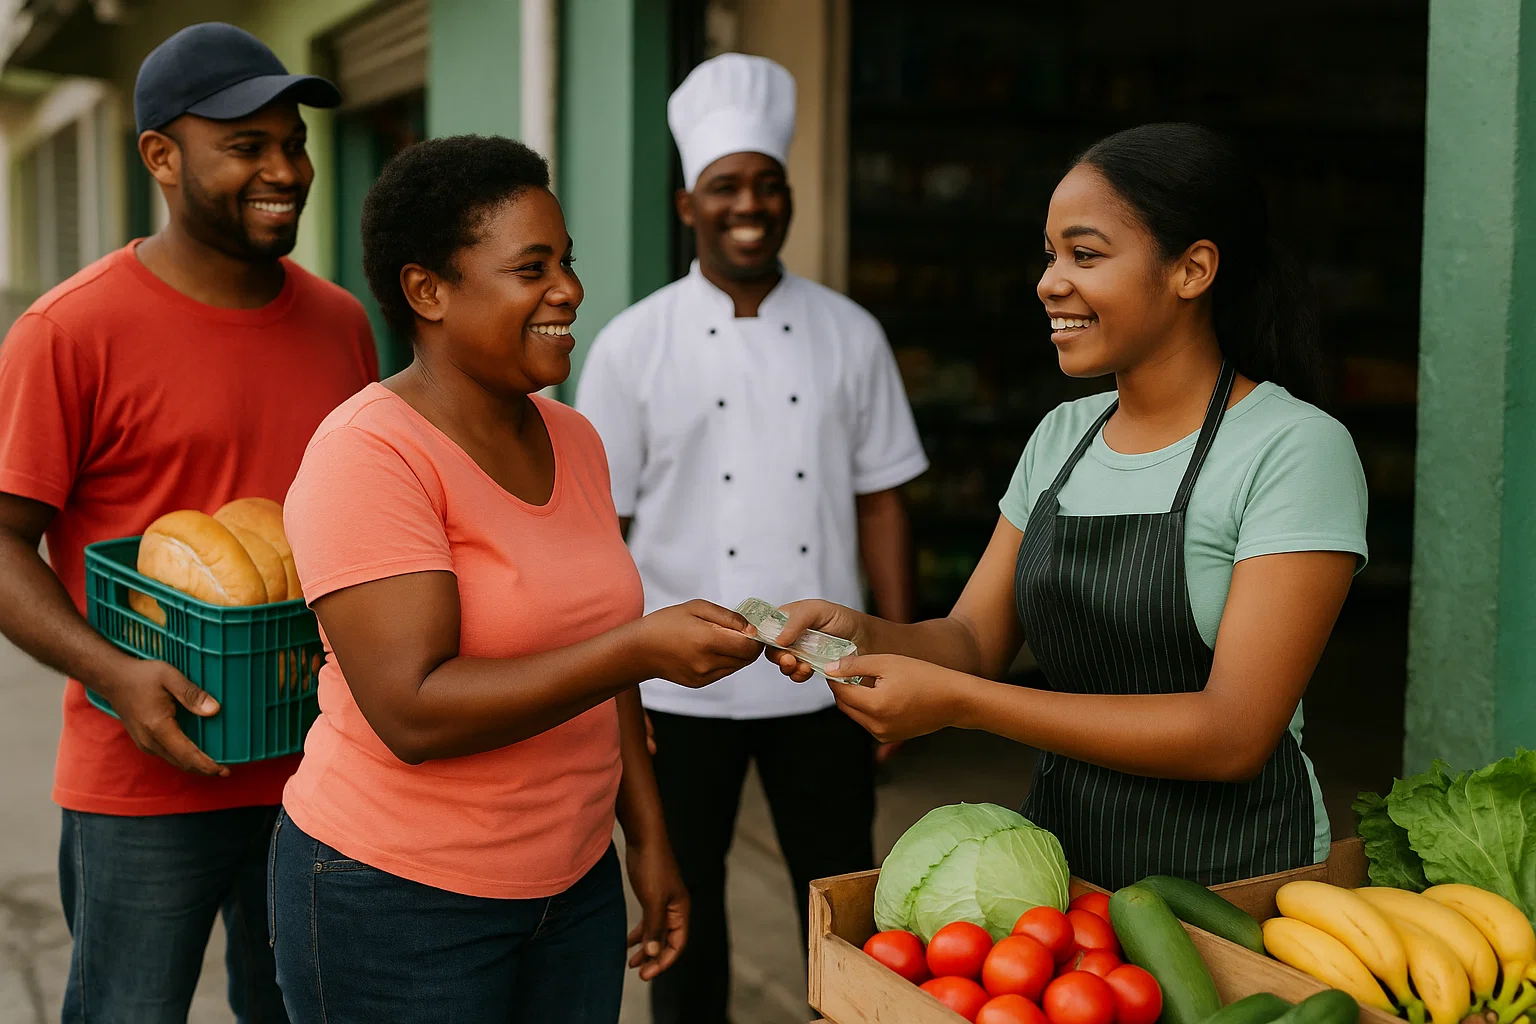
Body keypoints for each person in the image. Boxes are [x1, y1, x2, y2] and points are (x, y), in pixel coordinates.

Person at [770, 123, 1369, 889]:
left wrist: (965, 705)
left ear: (1192, 269)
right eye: (1050, 255)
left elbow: (1233, 734)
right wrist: (863, 633)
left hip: (1237, 881)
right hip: (1065, 871)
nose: (1049, 282)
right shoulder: (1064, 437)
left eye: (1085, 255)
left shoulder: (1292, 448)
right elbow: (972, 640)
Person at [268, 134, 764, 1024]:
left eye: (567, 262)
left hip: (572, 890)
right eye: (532, 268)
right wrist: (641, 648)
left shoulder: (573, 438)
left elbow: (598, 657)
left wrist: (647, 838)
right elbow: (413, 712)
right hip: (397, 900)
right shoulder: (368, 455)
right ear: (427, 291)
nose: (569, 289)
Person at [0, 22, 374, 1023]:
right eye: (247, 146)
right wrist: (115, 673)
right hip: (141, 783)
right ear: (161, 156)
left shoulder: (341, 324)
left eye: (293, 144)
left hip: (318, 770)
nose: (285, 171)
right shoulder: (69, 331)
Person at [575, 53, 928, 1023]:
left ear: (788, 199)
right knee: (684, 900)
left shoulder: (850, 333)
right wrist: (616, 687)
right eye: (727, 185)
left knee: (840, 900)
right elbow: (597, 533)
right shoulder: (633, 343)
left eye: (768, 185)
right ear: (687, 205)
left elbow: (883, 504)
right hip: (674, 680)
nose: (750, 205)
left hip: (824, 673)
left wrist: (900, 655)